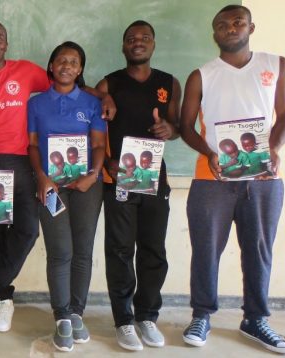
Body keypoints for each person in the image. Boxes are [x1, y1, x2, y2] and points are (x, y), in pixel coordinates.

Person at [0, 20, 115, 333]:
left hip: (22, 165)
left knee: (28, 232)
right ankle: (3, 297)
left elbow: (66, 81)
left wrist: (102, 96)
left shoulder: (27, 71)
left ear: (6, 43)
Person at [180, 5, 285, 354]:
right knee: (205, 250)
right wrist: (209, 152)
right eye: (222, 25)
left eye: (237, 22)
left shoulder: (277, 65)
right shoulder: (202, 75)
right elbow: (185, 126)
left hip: (263, 176)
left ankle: (256, 320)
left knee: (258, 250)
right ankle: (202, 314)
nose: (230, 28)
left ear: (250, 27)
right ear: (214, 33)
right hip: (211, 177)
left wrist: (273, 147)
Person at [95, 20, 181, 351]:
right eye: (131, 38)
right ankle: (123, 320)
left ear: (154, 44)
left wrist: (168, 131)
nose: (138, 42)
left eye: (144, 38)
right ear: (123, 46)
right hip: (119, 177)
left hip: (154, 176)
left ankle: (147, 316)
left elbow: (175, 126)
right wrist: (107, 163)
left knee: (153, 249)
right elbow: (96, 127)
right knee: (119, 250)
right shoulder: (109, 83)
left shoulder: (169, 83)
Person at [27, 41, 106, 352]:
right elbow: (33, 145)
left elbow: (98, 145)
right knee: (60, 251)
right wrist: (41, 176)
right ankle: (61, 315)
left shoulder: (91, 103)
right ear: (51, 66)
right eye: (61, 60)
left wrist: (93, 174)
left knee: (83, 251)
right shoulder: (36, 104)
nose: (66, 66)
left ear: (80, 69)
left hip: (88, 187)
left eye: (73, 62)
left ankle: (76, 313)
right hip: (51, 187)